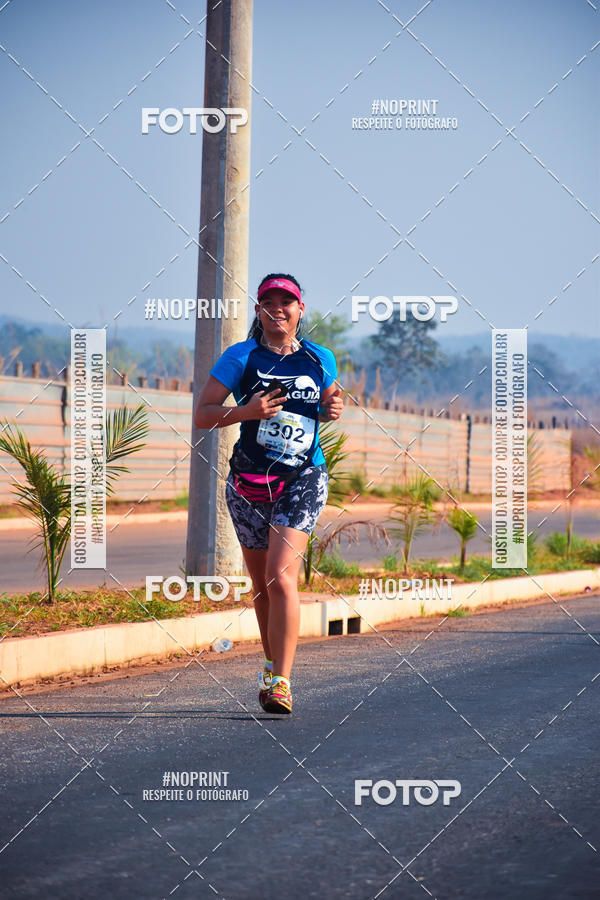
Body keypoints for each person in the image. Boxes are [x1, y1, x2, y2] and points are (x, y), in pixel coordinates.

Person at [194, 273, 343, 714]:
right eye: (268, 301)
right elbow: (202, 414)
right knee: (261, 586)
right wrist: (246, 411)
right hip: (249, 483)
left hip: (302, 477)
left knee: (281, 576)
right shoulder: (241, 357)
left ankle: (282, 681)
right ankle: (269, 662)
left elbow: (328, 405)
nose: (278, 308)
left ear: (301, 310)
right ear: (258, 310)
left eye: (287, 301)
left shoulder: (320, 357)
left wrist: (332, 408)